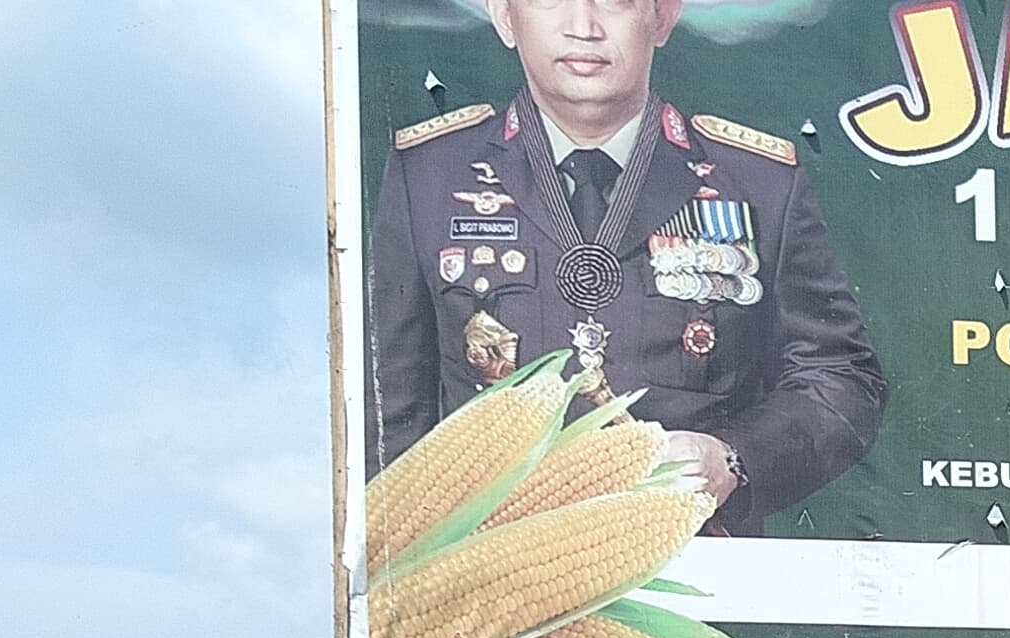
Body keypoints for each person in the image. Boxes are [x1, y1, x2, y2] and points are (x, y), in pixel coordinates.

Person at [367, 0, 887, 535]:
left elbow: (842, 378)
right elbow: (388, 405)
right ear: (504, 16)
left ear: (662, 18)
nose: (583, 28)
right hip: (489, 571)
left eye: (615, 2)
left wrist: (734, 459)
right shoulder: (427, 176)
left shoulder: (758, 183)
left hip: (700, 562)